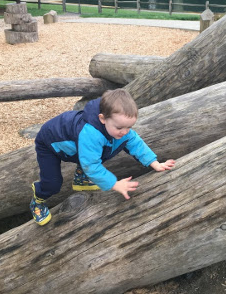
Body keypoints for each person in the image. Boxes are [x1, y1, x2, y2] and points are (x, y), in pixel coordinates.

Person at [29, 89, 175, 225]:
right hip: (50, 144)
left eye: (129, 127)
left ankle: (81, 176)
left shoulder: (117, 127)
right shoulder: (90, 134)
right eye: (119, 127)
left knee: (110, 147)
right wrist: (115, 184)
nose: (125, 131)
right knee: (53, 183)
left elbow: (135, 143)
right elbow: (91, 166)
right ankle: (37, 200)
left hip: (77, 145)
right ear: (103, 118)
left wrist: (155, 163)